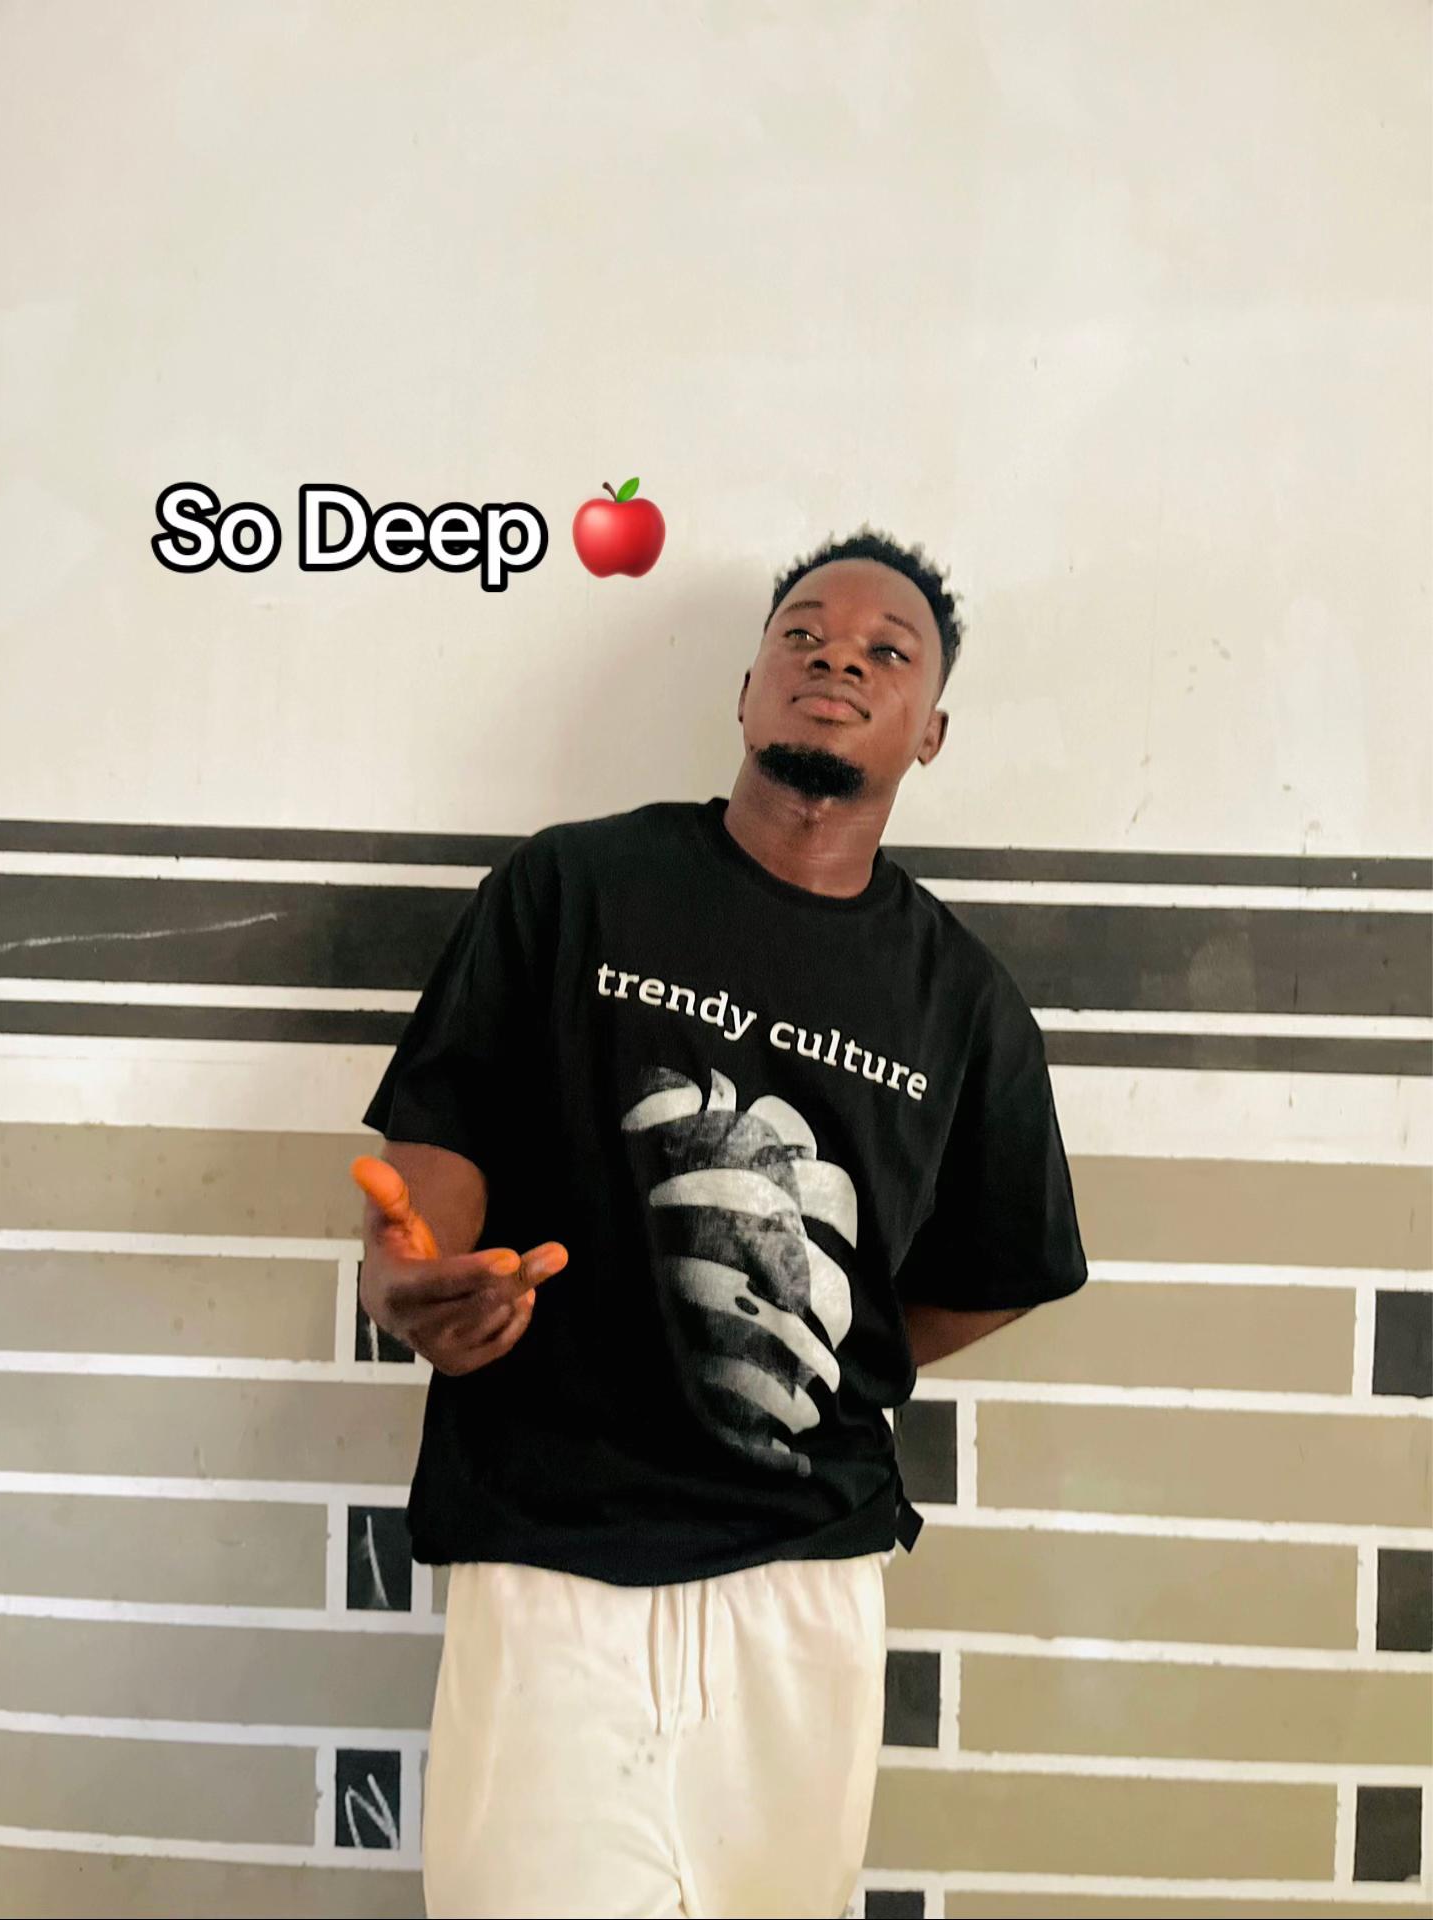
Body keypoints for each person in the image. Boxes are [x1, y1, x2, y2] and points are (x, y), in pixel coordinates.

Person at [357, 526, 1089, 1920]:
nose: (836, 661)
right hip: (552, 1553)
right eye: (802, 634)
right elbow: (438, 1145)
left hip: (804, 1574)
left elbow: (1009, 1266)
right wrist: (412, 1281)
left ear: (931, 732)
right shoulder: (570, 888)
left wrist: (825, 1346)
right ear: (748, 689)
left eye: (886, 652)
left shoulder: (964, 1002)